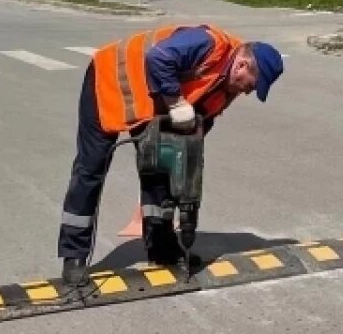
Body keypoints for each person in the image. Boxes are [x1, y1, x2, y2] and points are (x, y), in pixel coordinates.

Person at [57, 24, 284, 286]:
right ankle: (73, 257)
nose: (247, 92)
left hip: (149, 101)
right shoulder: (208, 43)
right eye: (251, 86)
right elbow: (159, 57)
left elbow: (201, 122)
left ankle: (161, 247)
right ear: (243, 64)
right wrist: (176, 102)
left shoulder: (225, 87)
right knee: (91, 169)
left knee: (160, 167)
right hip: (109, 80)